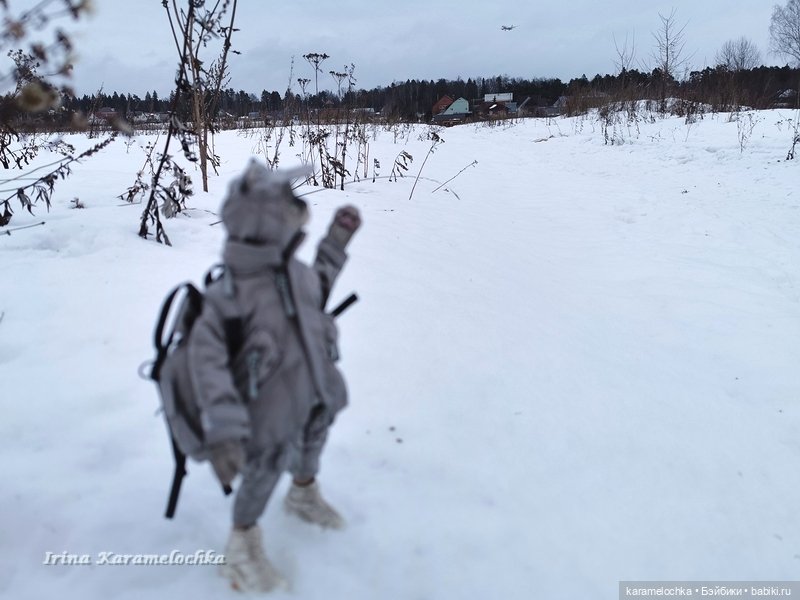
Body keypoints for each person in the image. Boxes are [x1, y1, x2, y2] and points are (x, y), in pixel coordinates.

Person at [187, 159, 361, 592]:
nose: (298, 209)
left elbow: (317, 288)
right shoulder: (229, 294)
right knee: (265, 467)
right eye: (289, 204)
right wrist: (224, 429)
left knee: (314, 432)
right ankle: (241, 543)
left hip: (311, 384)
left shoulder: (293, 271)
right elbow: (206, 363)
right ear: (266, 221)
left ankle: (303, 491)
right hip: (267, 407)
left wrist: (336, 242)